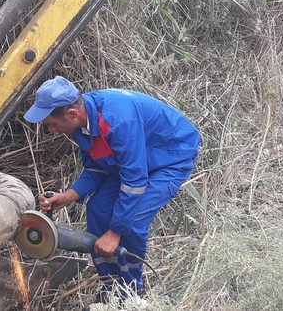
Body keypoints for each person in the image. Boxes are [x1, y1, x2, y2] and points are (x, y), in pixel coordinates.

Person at [24, 75, 200, 300]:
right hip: (132, 162)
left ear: (71, 114)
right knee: (97, 209)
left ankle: (130, 292)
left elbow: (135, 182)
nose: (51, 130)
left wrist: (115, 232)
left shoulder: (117, 120)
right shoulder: (81, 126)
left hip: (170, 157)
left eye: (51, 124)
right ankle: (110, 287)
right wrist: (69, 196)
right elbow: (96, 169)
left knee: (133, 222)